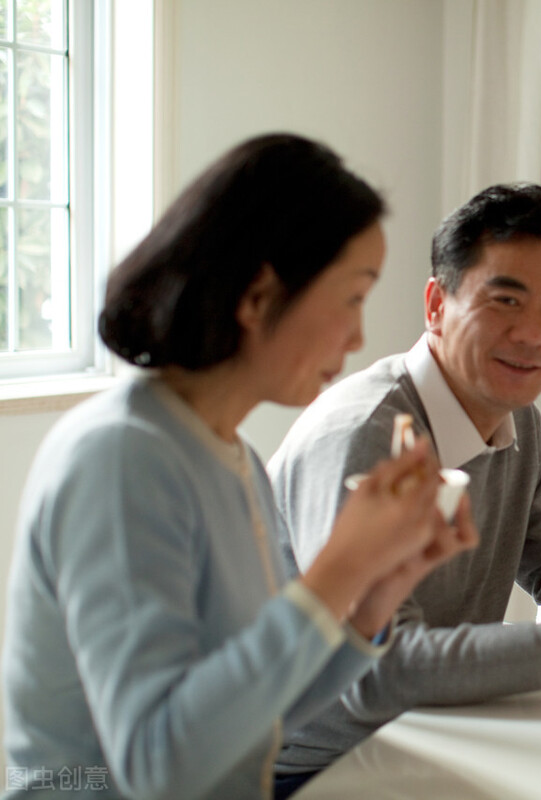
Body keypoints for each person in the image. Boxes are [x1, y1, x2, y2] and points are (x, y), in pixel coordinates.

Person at [1, 134, 477, 800]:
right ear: (258, 296)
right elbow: (157, 765)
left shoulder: (235, 459)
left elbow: (263, 706)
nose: (360, 336)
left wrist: (379, 586)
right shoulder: (120, 458)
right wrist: (338, 567)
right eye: (352, 297)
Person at [268, 183, 541, 784]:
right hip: (319, 769)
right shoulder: (364, 435)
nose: (534, 336)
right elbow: (375, 675)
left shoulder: (518, 418)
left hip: (443, 735)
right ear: (436, 304)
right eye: (506, 302)